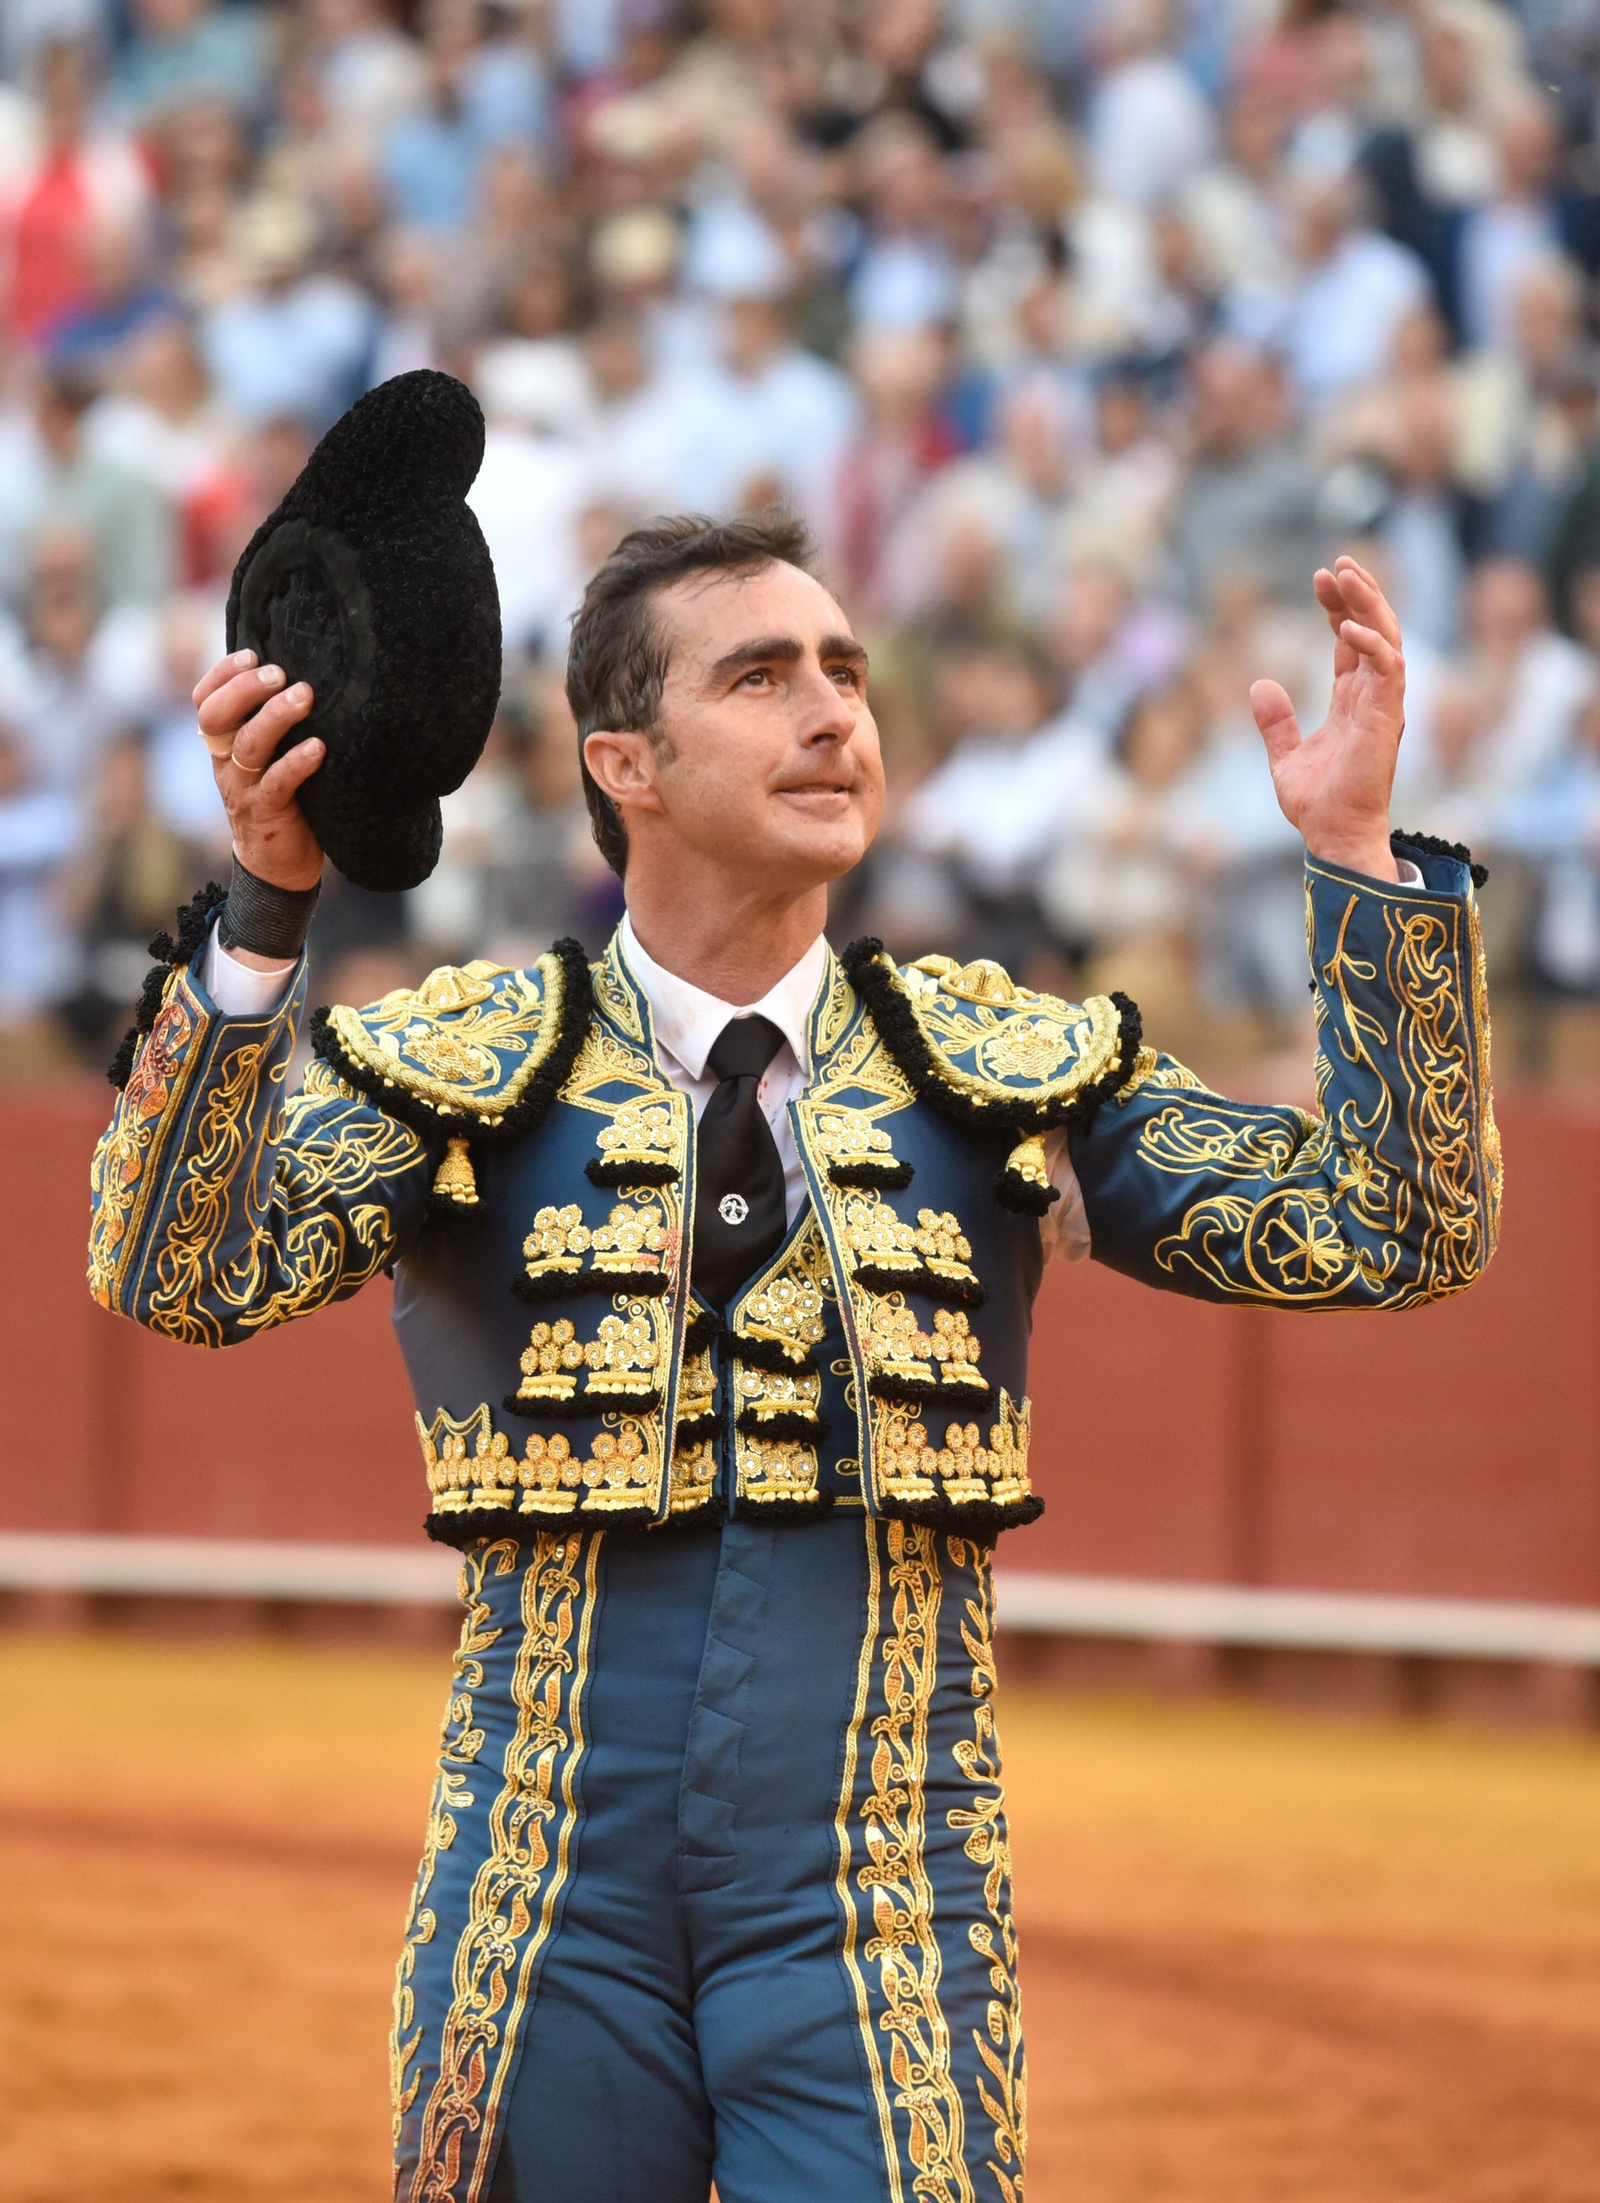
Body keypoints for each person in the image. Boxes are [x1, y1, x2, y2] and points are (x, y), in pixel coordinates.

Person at [88, 510, 1500, 2203]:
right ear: (627, 763)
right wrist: (265, 907)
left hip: (882, 1899)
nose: (834, 713)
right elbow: (176, 1270)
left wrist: (1355, 863)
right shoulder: (463, 1063)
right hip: (541, 1900)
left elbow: (1397, 1225)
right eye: (762, 677)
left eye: (844, 667)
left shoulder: (1003, 1066)